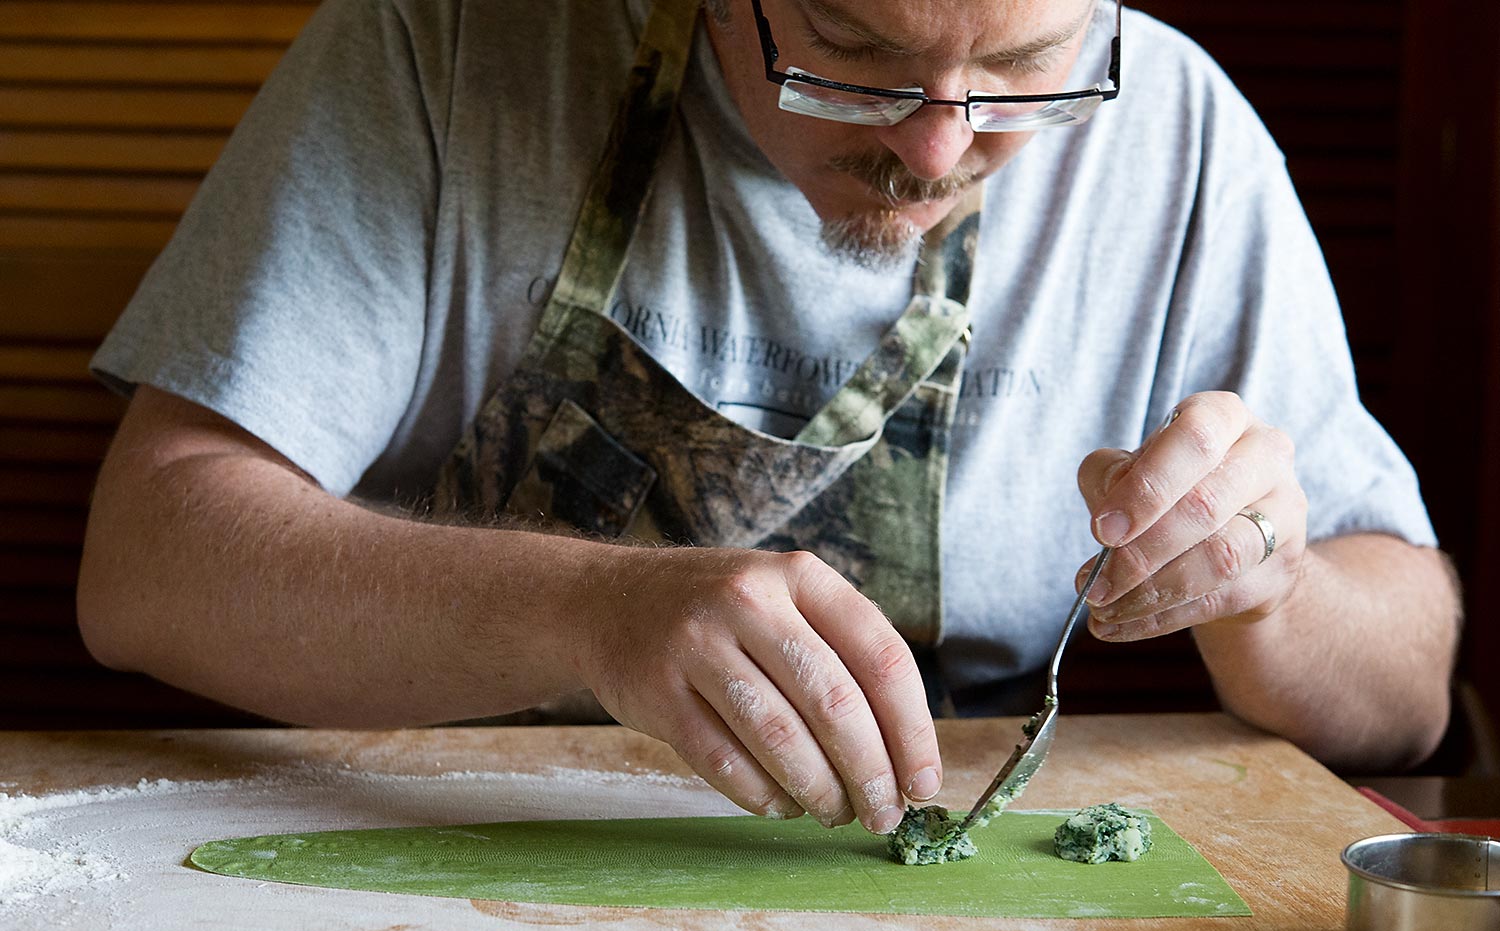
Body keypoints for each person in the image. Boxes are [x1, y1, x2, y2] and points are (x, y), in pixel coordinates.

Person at [76, 0, 1460, 838]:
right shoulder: (446, 48)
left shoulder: (1178, 139)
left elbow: (1402, 692)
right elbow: (149, 561)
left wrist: (1265, 588)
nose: (936, 148)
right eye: (854, 55)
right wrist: (593, 615)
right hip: (446, 844)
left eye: (1026, 67)